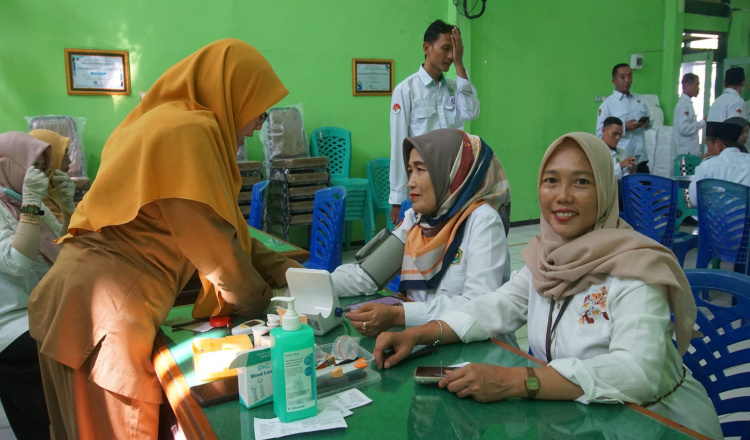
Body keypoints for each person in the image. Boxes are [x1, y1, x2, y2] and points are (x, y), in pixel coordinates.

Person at [27, 39, 303, 440]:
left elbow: (224, 229)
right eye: (258, 108)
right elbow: (217, 252)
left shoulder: (159, 120)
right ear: (230, 93)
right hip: (105, 318)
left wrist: (292, 272)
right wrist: (270, 303)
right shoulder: (189, 132)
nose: (261, 123)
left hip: (70, 303)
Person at [374, 132, 722, 439]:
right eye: (551, 180)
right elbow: (495, 306)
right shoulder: (546, 259)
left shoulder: (636, 268)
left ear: (604, 189)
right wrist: (419, 335)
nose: (562, 196)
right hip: (572, 421)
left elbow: (637, 372)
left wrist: (513, 381)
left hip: (656, 422)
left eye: (581, 182)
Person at [333, 128, 512, 344]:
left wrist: (399, 314)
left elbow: (477, 307)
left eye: (421, 169)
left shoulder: (482, 221)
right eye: (410, 171)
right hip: (422, 342)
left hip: (480, 350)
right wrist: (306, 282)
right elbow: (366, 276)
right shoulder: (416, 220)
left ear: (451, 172)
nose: (411, 182)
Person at [0, 131, 75, 440]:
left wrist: (68, 210)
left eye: (45, 168)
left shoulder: (27, 203)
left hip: (41, 312)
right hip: (12, 325)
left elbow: (66, 256)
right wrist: (31, 206)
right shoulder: (19, 205)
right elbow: (17, 262)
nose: (43, 176)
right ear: (10, 165)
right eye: (35, 167)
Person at [389, 19, 480, 224]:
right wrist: (397, 198)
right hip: (424, 180)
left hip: (454, 178)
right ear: (427, 48)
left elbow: (471, 113)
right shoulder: (406, 90)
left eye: (454, 51)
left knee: (453, 232)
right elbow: (398, 144)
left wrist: (459, 64)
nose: (450, 56)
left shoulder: (455, 87)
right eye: (446, 48)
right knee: (424, 233)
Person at [596, 63, 651, 173]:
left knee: (646, 183)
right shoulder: (607, 105)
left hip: (641, 159)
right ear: (614, 81)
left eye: (630, 76)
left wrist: (647, 123)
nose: (627, 80)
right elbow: (599, 134)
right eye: (622, 77)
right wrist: (624, 128)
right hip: (621, 162)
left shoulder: (639, 100)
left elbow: (650, 119)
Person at [688, 121, 750, 206]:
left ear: (718, 145)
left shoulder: (707, 166)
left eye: (708, 146)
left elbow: (695, 200)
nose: (707, 152)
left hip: (718, 214)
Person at [673, 73, 706, 156]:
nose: (698, 88)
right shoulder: (684, 104)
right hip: (687, 151)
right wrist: (702, 122)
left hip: (688, 151)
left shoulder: (686, 103)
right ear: (687, 85)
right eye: (696, 85)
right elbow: (684, 129)